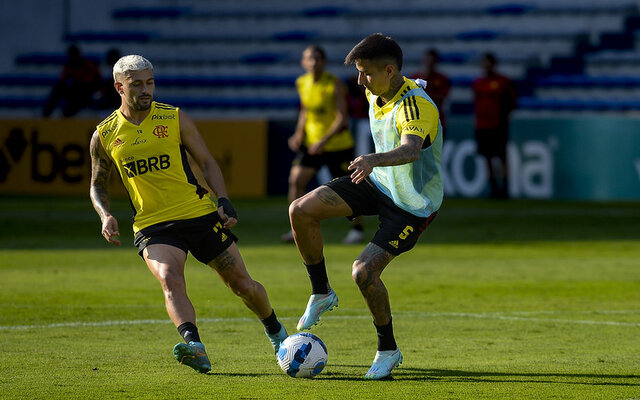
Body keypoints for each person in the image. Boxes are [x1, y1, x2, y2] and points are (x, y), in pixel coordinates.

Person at [89, 55, 288, 374]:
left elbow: (207, 161)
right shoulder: (105, 133)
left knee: (242, 285)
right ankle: (194, 346)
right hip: (152, 224)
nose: (145, 90)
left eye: (150, 82)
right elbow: (97, 183)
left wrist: (223, 198)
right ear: (119, 87)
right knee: (170, 279)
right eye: (137, 84)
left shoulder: (174, 118)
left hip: (198, 214)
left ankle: (277, 332)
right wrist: (104, 215)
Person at [288, 34, 443, 380]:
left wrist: (372, 159)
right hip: (378, 185)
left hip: (412, 205)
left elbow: (411, 149)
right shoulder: (377, 89)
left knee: (363, 272)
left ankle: (388, 350)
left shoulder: (417, 106)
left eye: (366, 73)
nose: (360, 81)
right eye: (358, 72)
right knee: (299, 209)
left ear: (390, 71)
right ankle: (321, 292)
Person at [282, 45, 365, 245]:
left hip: (337, 145)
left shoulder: (334, 84)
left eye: (318, 58)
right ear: (303, 62)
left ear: (324, 62)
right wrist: (298, 133)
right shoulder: (301, 83)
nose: (314, 62)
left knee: (351, 187)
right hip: (312, 145)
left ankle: (357, 229)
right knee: (296, 180)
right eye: (310, 58)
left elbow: (342, 118)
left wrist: (324, 140)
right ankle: (297, 228)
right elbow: (305, 112)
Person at [472, 52, 517, 198]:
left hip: (498, 125)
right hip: (482, 125)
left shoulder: (503, 82)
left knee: (501, 157)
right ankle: (493, 187)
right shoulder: (478, 83)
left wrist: (504, 118)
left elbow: (512, 102)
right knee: (487, 157)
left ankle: (505, 187)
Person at [43, 45, 101, 117]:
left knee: (72, 106)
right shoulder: (68, 66)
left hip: (87, 93)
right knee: (58, 89)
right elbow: (62, 81)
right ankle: (46, 115)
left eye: (75, 55)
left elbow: (95, 82)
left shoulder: (89, 65)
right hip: (75, 93)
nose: (74, 58)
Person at [410, 49, 451, 131]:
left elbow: (442, 97)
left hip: (436, 120)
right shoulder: (414, 78)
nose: (429, 63)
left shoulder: (442, 79)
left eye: (432, 60)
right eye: (427, 60)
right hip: (418, 121)